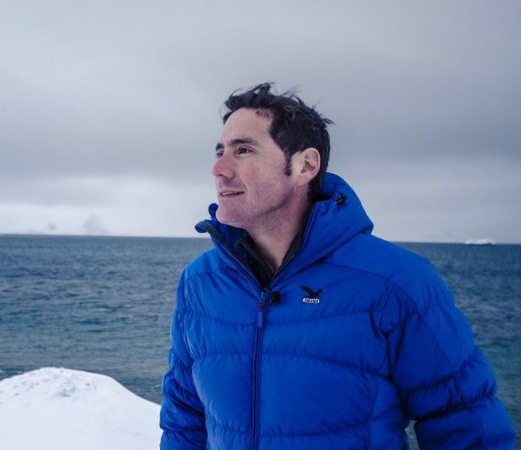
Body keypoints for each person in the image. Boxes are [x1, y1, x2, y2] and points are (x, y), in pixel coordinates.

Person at [159, 83, 516, 449]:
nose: (219, 169)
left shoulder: (395, 282)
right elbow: (185, 417)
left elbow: (467, 428)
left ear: (305, 165)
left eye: (244, 150)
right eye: (220, 151)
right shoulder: (201, 282)